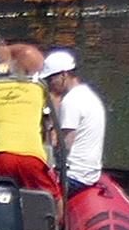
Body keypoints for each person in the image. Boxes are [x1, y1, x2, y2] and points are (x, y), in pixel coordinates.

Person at [0, 38, 56, 191]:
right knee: (54, 196)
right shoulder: (37, 89)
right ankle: (62, 215)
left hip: (0, 155)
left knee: (2, 190)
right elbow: (50, 111)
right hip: (32, 156)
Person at [40, 47, 106, 190]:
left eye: (51, 79)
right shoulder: (87, 94)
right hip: (89, 173)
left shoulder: (71, 101)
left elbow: (65, 146)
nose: (49, 85)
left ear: (64, 75)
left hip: (73, 176)